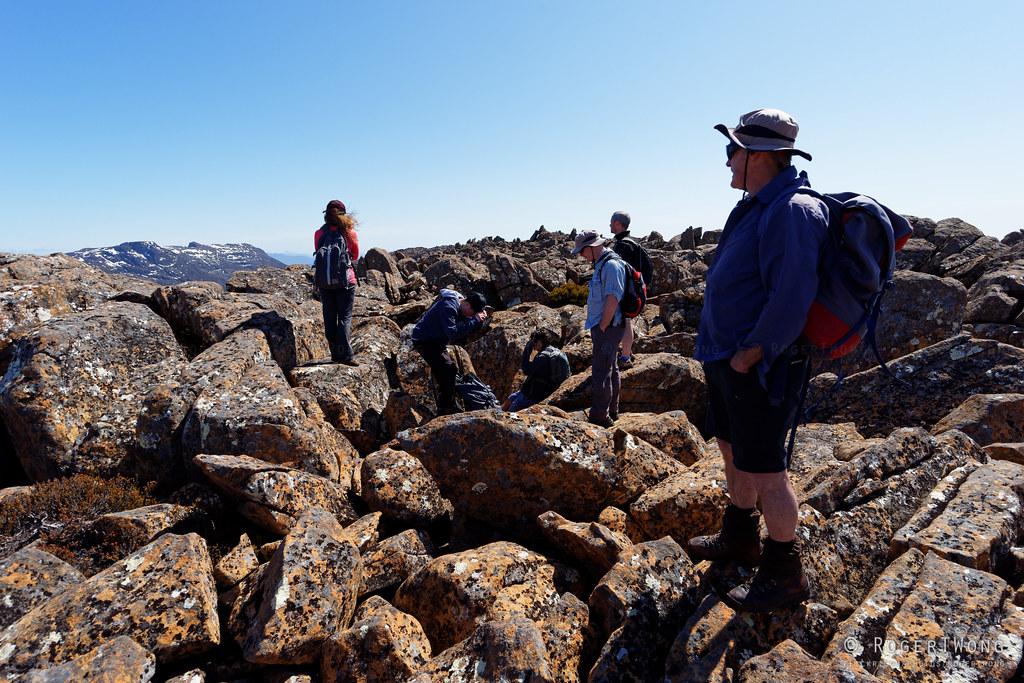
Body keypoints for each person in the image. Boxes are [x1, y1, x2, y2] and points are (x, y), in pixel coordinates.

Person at [687, 108, 829, 613]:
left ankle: (784, 574)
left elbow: (792, 293)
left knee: (769, 472)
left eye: (734, 152)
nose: (727, 162)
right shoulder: (753, 205)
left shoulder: (792, 210)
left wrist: (752, 353)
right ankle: (740, 535)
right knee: (732, 450)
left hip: (759, 366)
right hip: (726, 357)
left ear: (761, 156)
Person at [571, 230, 627, 427]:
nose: (581, 256)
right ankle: (612, 410)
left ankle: (600, 416)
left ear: (592, 247)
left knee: (601, 371)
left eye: (582, 251)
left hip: (608, 327)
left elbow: (613, 298)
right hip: (608, 327)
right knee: (610, 368)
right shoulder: (603, 263)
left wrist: (602, 325)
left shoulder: (610, 265)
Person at [411, 289, 488, 415]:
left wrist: (478, 320)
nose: (470, 316)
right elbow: (452, 333)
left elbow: (471, 329)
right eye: (472, 313)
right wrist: (474, 320)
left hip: (436, 341)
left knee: (448, 370)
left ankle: (446, 402)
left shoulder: (462, 308)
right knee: (448, 369)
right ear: (467, 304)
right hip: (424, 340)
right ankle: (446, 406)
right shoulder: (448, 307)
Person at [314, 200, 359, 366]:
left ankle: (334, 353)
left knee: (329, 317)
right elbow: (355, 254)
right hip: (346, 281)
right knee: (344, 318)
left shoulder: (319, 233)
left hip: (324, 282)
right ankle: (346, 355)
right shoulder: (349, 233)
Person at [609, 211, 653, 369]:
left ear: (618, 223)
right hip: (634, 290)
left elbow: (619, 271)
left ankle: (625, 358)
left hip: (626, 292)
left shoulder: (622, 245)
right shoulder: (632, 243)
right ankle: (627, 352)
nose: (609, 225)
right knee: (627, 322)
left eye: (611, 222)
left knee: (625, 322)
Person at [502, 329, 569, 412]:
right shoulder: (551, 351)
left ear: (543, 340)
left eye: (535, 341)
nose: (533, 344)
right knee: (509, 400)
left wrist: (527, 352)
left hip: (532, 395)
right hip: (530, 391)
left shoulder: (543, 357)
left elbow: (526, 370)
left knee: (510, 413)